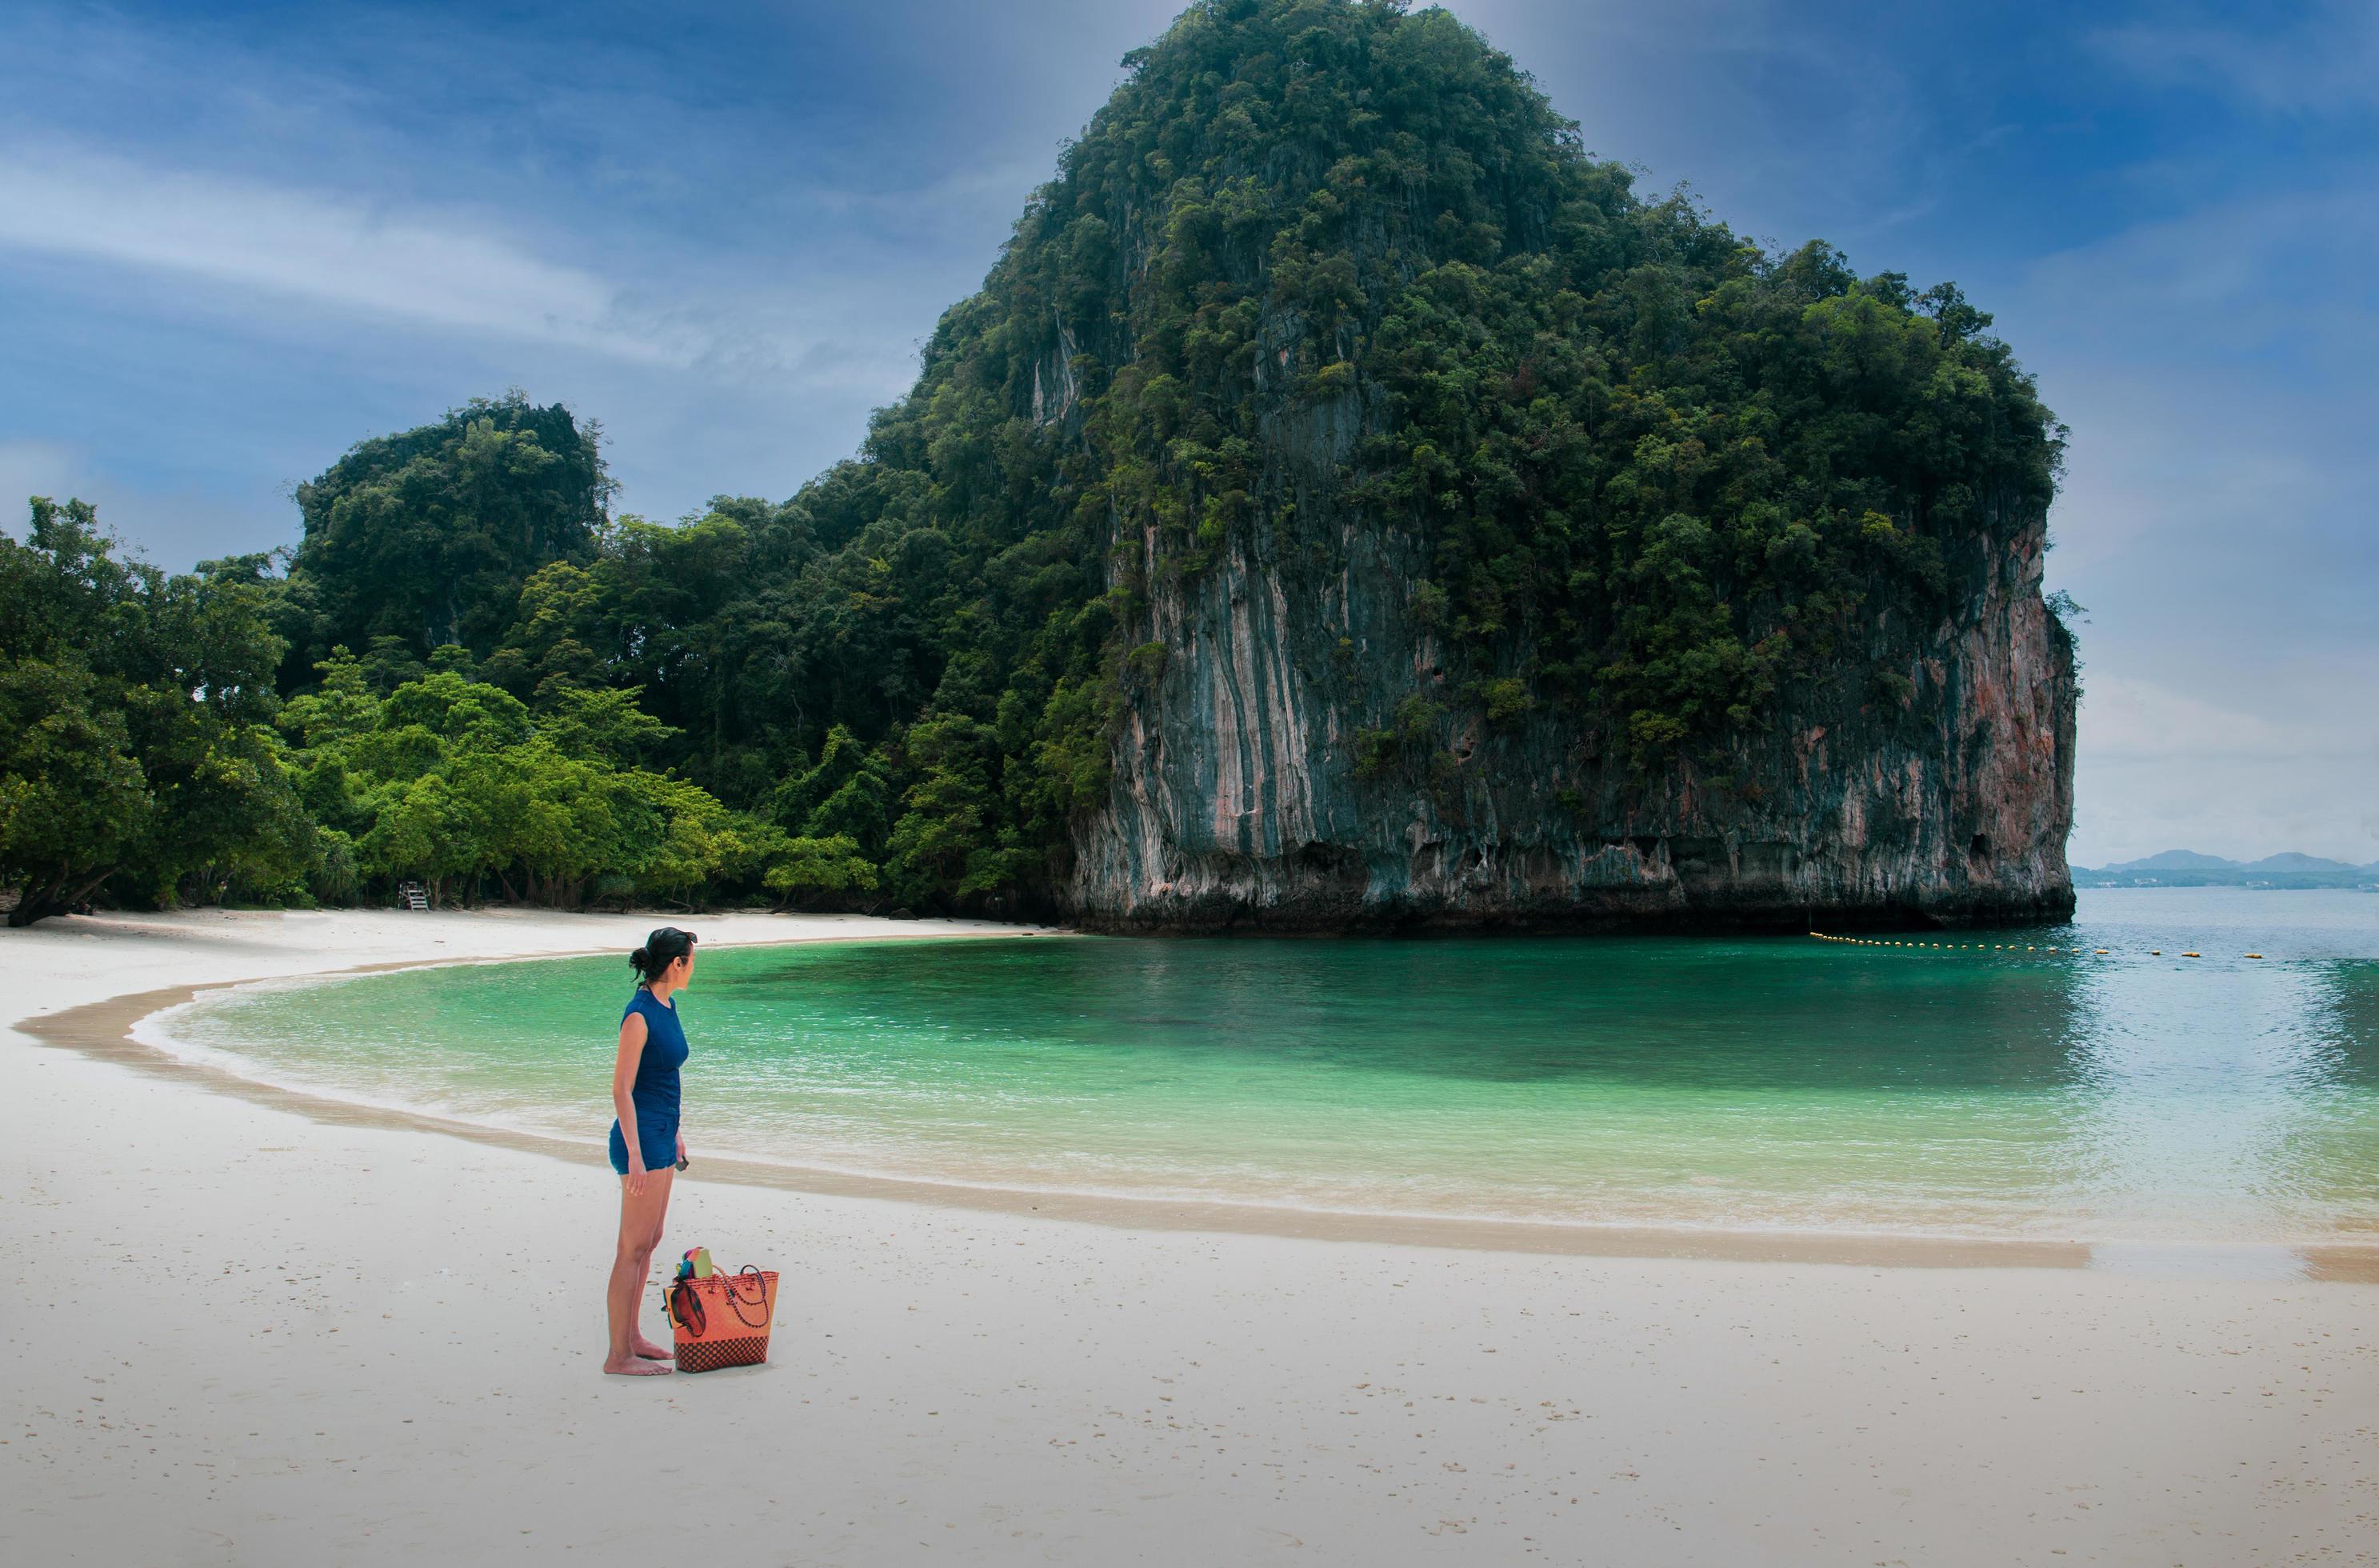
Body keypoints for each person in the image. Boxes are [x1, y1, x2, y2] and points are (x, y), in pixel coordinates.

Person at [603, 926, 697, 1375]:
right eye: (691, 959)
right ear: (675, 964)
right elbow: (622, 1090)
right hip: (638, 1139)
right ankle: (617, 1355)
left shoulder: (668, 1005)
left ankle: (633, 1337)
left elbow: (665, 1078)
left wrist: (676, 1132)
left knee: (651, 1240)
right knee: (632, 1247)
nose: (693, 967)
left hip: (661, 1134)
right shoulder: (639, 1014)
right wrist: (637, 1155)